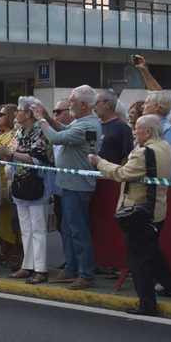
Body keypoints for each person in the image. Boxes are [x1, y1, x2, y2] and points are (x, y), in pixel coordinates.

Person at [91, 115, 171, 316]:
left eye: (137, 128)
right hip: (157, 209)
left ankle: (147, 304)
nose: (134, 132)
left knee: (139, 261)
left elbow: (121, 174)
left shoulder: (143, 153)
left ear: (148, 132)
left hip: (138, 211)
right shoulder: (165, 146)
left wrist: (100, 162)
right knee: (153, 252)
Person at [37, 85, 101, 289]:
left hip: (77, 185)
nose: (69, 102)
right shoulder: (82, 123)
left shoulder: (87, 125)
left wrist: (41, 119)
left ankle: (86, 273)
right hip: (68, 183)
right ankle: (72, 268)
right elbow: (63, 131)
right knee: (67, 227)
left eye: (72, 100)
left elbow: (56, 138)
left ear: (82, 104)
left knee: (78, 229)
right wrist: (48, 117)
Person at [0, 98, 54, 283]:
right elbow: (16, 152)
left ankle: (41, 269)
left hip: (37, 184)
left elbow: (35, 158)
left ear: (27, 114)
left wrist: (13, 153)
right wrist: (15, 153)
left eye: (19, 110)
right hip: (20, 183)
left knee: (38, 228)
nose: (16, 114)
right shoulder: (19, 131)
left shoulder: (41, 133)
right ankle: (27, 265)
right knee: (25, 228)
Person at [95, 89, 133, 165]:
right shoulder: (96, 125)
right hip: (93, 174)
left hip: (110, 175)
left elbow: (126, 156)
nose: (93, 106)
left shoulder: (121, 128)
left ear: (108, 104)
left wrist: (118, 175)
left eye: (96, 103)